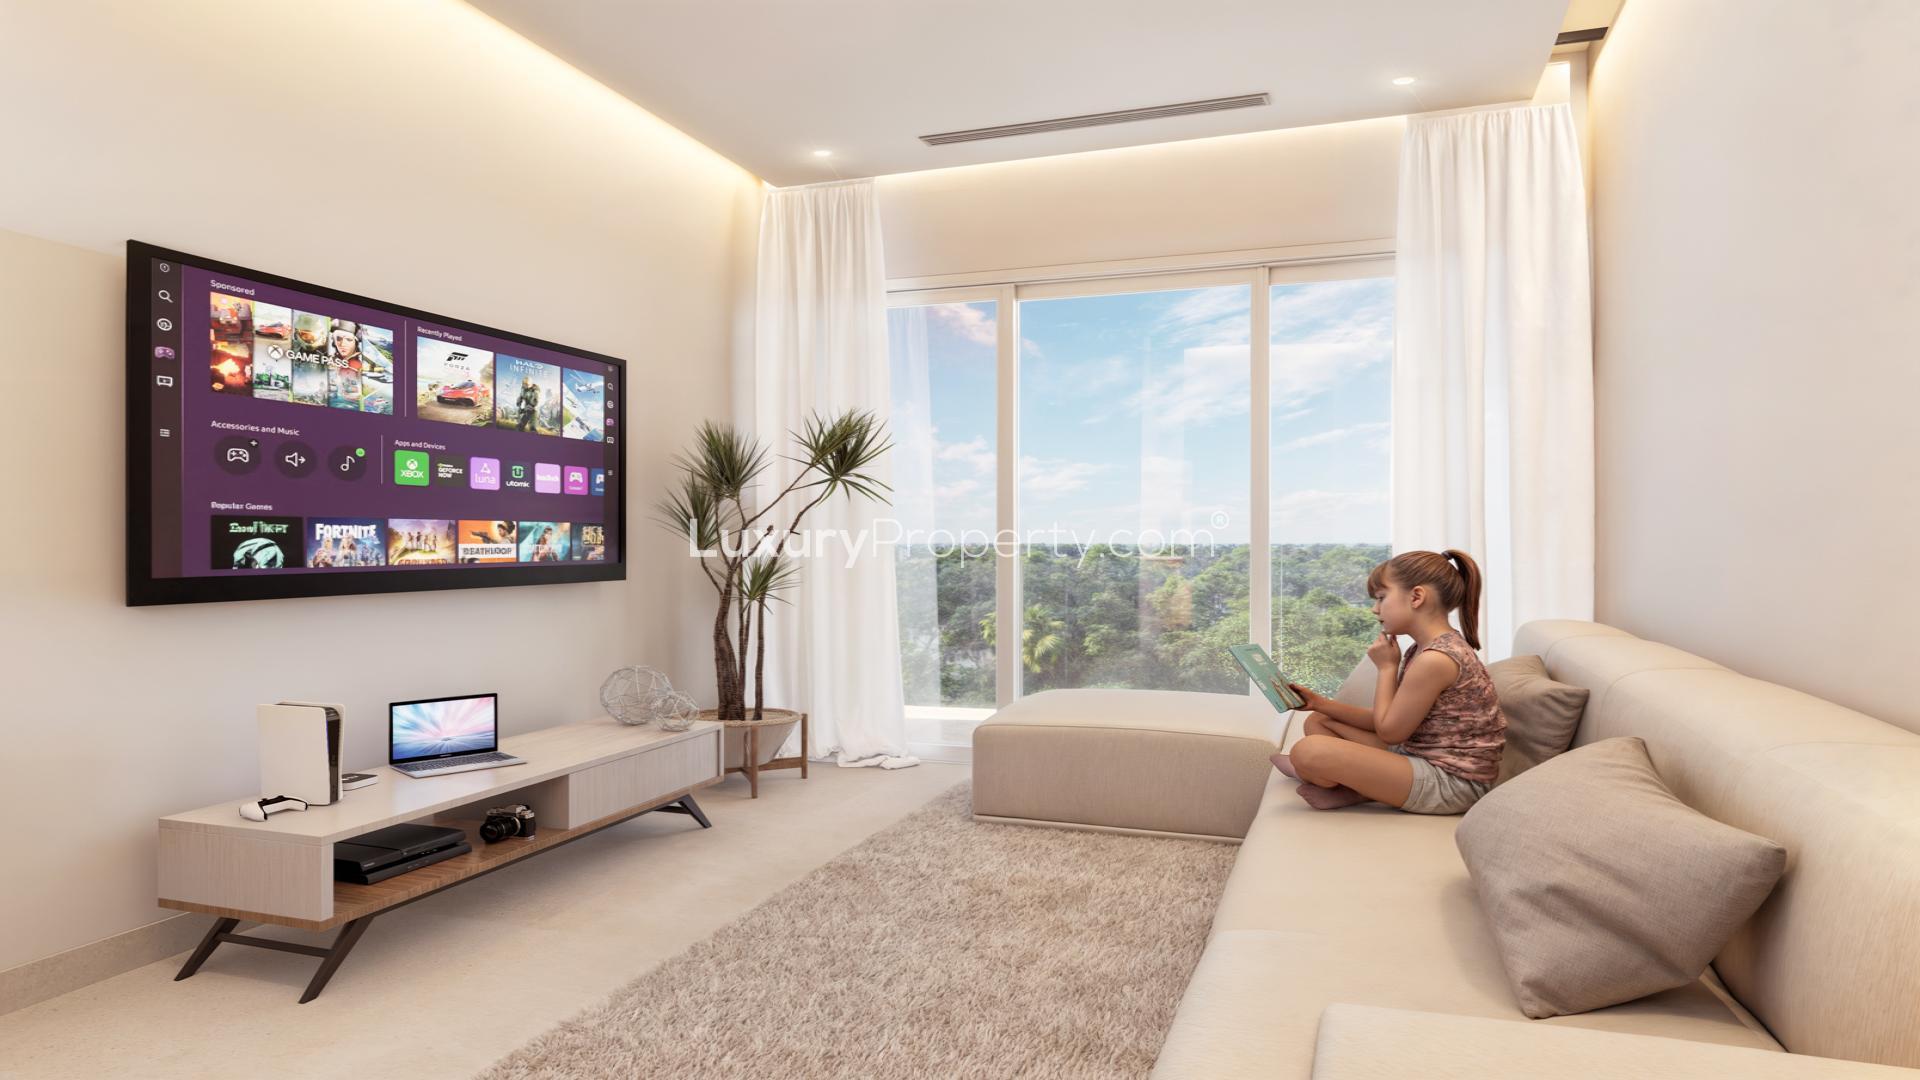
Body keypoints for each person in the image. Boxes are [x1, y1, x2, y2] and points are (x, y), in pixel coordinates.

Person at [1270, 549, 1504, 814]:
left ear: (1416, 597)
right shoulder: (1424, 649)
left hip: (1451, 782)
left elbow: (1390, 732)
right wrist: (1319, 703)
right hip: (1418, 754)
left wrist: (1387, 668)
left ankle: (1341, 783)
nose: (1375, 609)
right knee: (1319, 721)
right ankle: (1357, 788)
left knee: (1308, 752)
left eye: (1381, 598)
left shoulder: (1436, 659)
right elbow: (1390, 720)